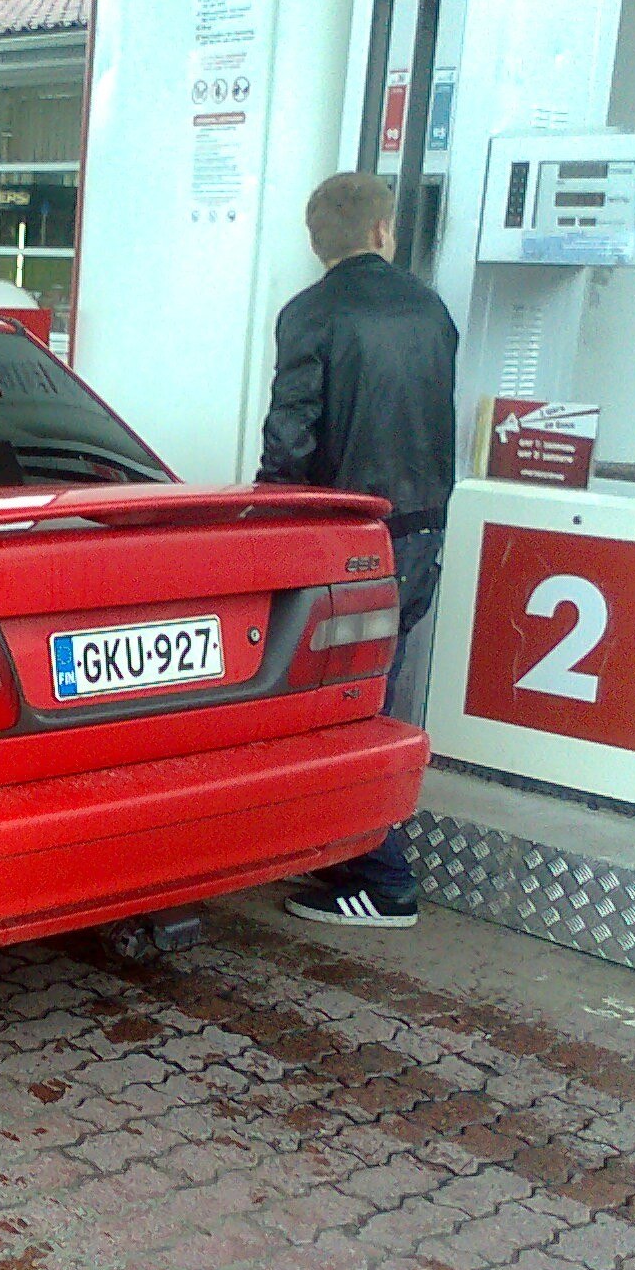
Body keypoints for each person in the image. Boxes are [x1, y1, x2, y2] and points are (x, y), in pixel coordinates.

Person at [258, 171, 458, 929]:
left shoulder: (310, 314)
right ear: (382, 232)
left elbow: (291, 436)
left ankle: (381, 878)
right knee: (375, 692)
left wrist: (269, 528)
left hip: (344, 538)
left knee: (335, 702)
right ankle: (349, 852)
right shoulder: (431, 309)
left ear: (318, 244)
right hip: (421, 529)